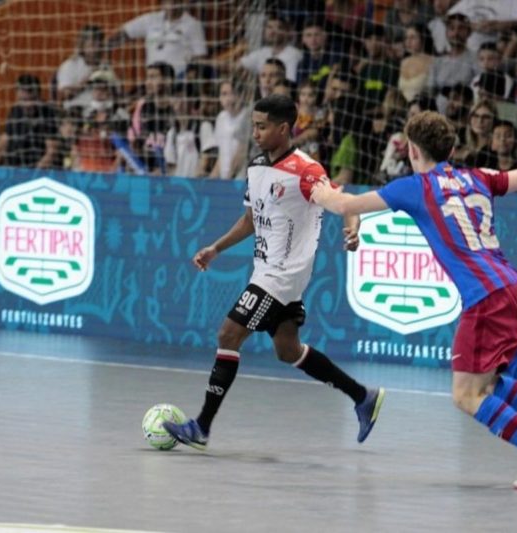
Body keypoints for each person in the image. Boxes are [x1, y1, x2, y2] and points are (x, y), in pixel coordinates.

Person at [311, 110, 517, 490]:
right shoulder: (476, 177)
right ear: (450, 148)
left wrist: (315, 188)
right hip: (511, 287)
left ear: (412, 150)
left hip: (485, 297)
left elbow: (344, 205)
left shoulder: (414, 187)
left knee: (466, 395)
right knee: (491, 382)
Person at [163, 94, 385, 451]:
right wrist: (216, 248)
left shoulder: (307, 171)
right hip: (265, 271)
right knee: (287, 348)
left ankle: (201, 426)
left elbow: (344, 201)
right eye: (254, 125)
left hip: (284, 275)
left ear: (284, 129)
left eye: (262, 127)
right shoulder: (256, 166)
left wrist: (353, 227)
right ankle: (363, 396)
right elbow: (251, 220)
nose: (255, 132)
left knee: (228, 334)